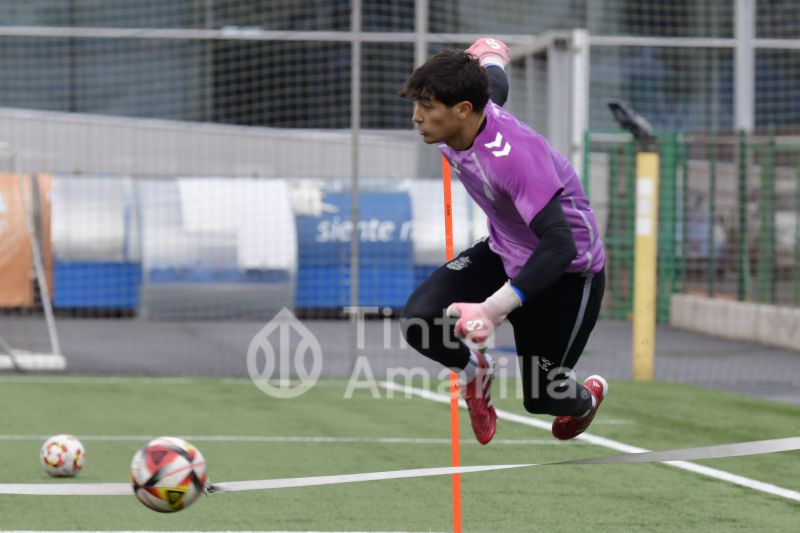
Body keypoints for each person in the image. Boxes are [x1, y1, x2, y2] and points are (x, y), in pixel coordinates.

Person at [399, 38, 607, 445]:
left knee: (544, 398)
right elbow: (495, 83)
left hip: (564, 272)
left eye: (426, 107)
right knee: (420, 320)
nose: (416, 117)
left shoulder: (514, 158)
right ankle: (475, 373)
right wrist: (492, 52)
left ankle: (587, 400)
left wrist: (491, 310)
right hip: (503, 250)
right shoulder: (469, 111)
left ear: (462, 110)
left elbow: (560, 244)